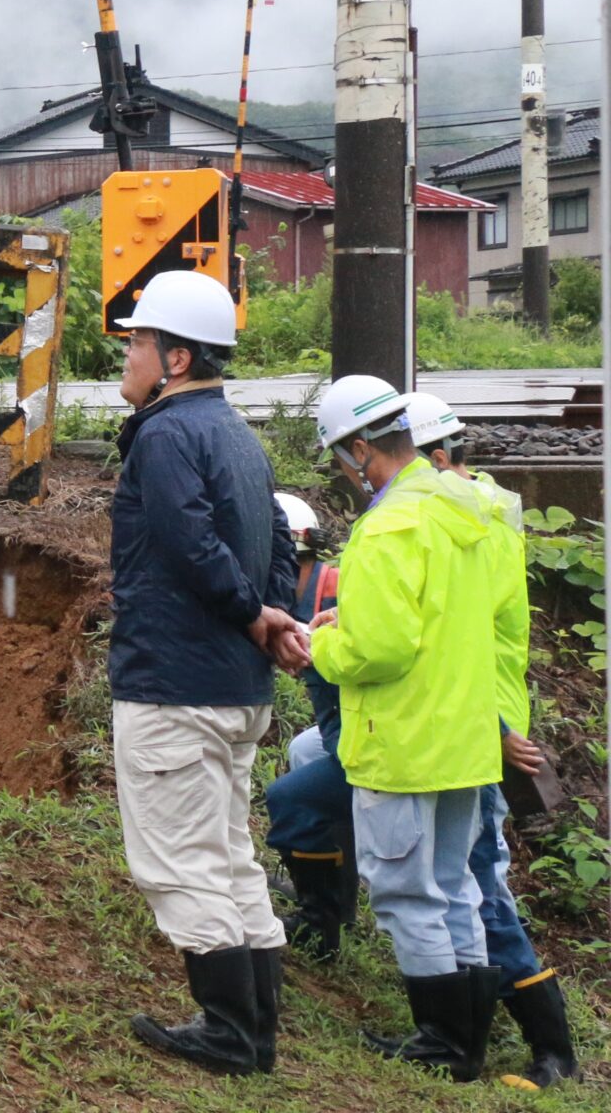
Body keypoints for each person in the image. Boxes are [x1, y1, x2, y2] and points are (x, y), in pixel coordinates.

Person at [108, 270, 304, 1077]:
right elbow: (284, 539)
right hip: (237, 687)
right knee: (229, 854)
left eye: (137, 343)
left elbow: (189, 545)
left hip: (175, 683)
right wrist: (271, 615)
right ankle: (255, 1027)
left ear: (176, 359)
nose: (125, 357)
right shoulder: (238, 434)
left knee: (181, 863)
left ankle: (228, 1033)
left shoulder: (163, 436)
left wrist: (253, 615)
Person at [308, 375, 504, 1083]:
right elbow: (439, 621)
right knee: (456, 888)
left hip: (403, 740)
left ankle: (442, 1043)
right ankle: (468, 1045)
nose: (343, 472)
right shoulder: (463, 506)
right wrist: (355, 620)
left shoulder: (388, 527)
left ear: (363, 450)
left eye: (340, 458)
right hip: (464, 735)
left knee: (404, 891)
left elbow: (380, 650)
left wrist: (324, 642)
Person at [401, 392, 578, 1091]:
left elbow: (471, 639)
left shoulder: (472, 521)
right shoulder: (481, 509)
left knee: (478, 884)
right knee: (472, 880)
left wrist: (498, 730)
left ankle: (551, 1048)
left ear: (440, 459)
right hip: (478, 719)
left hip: (484, 724)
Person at [262, 493, 359, 963]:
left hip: (371, 732)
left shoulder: (340, 593)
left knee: (291, 797)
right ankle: (336, 898)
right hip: (342, 726)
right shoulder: (296, 595)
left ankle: (322, 925)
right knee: (304, 750)